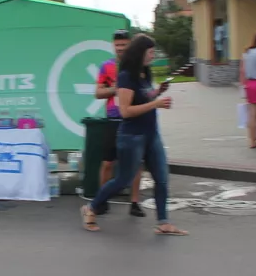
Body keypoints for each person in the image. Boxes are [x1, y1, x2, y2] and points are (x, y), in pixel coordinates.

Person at [80, 34, 187, 236]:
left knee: (162, 178)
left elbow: (143, 96)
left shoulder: (144, 73)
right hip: (131, 136)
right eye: (151, 52)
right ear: (141, 52)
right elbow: (126, 111)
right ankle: (91, 208)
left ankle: (163, 222)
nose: (153, 56)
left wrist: (157, 93)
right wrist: (155, 104)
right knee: (122, 179)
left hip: (151, 134)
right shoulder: (126, 76)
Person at [94, 29, 145, 217]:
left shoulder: (137, 67)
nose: (120, 49)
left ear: (130, 45)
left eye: (124, 45)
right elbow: (98, 93)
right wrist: (117, 89)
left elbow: (145, 90)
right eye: (117, 46)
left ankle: (134, 203)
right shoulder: (106, 66)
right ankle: (101, 200)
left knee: (137, 163)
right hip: (113, 119)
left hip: (133, 119)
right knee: (107, 163)